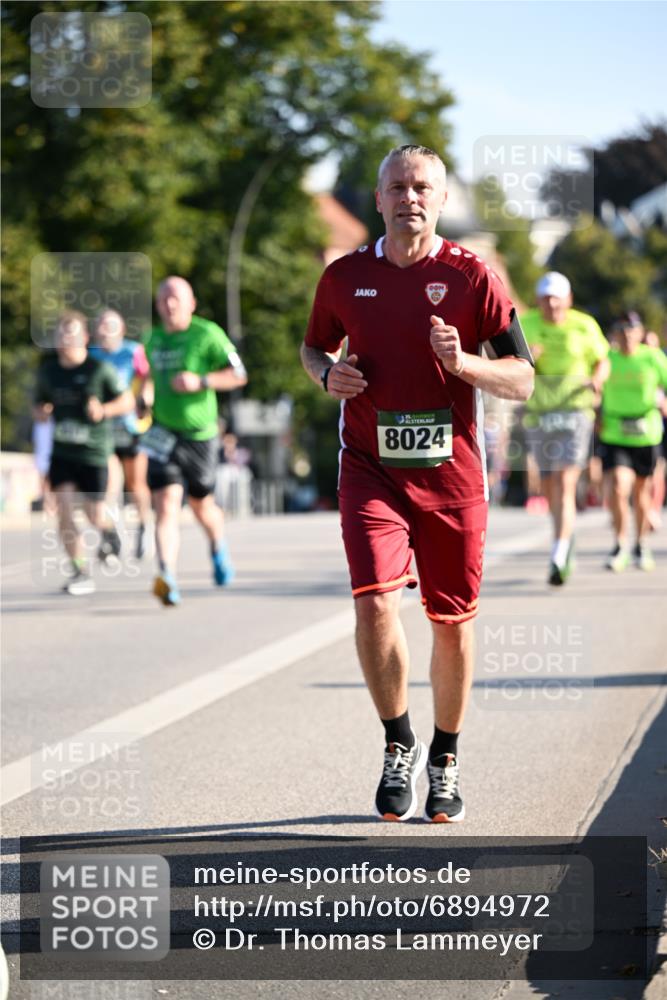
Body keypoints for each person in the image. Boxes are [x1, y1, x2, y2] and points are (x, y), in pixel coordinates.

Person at [301, 144, 534, 823]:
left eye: (422, 187)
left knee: (450, 624)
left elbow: (521, 379)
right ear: (377, 199)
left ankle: (446, 756)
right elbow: (312, 346)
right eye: (397, 186)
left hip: (452, 476)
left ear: (439, 199)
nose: (410, 197)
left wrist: (462, 363)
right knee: (374, 603)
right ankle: (398, 741)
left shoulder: (471, 276)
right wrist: (325, 375)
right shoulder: (344, 277)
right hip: (370, 469)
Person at [142, 276, 248, 606]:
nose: (169, 305)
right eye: (163, 300)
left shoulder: (207, 334)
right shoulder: (153, 339)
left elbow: (239, 375)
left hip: (200, 436)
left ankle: (217, 547)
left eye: (175, 298)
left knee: (202, 505)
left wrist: (200, 380)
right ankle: (166, 576)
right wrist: (142, 398)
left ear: (191, 304)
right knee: (165, 506)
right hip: (163, 433)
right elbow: (144, 378)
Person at [33, 311, 135, 595]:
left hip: (94, 453)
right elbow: (38, 404)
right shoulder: (48, 372)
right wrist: (41, 412)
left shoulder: (98, 370)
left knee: (94, 514)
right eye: (61, 335)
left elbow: (126, 401)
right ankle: (80, 571)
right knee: (63, 510)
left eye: (72, 334)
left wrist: (104, 410)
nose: (66, 340)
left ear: (85, 338)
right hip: (63, 452)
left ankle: (109, 530)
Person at [521, 272, 610, 585]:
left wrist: (597, 380)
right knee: (548, 487)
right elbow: (506, 360)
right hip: (540, 413)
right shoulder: (526, 322)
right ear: (538, 300)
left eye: (557, 297)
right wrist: (528, 358)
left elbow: (603, 359)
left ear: (568, 299)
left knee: (565, 479)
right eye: (546, 298)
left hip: (575, 411)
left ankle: (558, 552)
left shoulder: (584, 324)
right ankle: (565, 535)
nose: (552, 304)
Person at [600, 311, 667, 572]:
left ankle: (640, 543)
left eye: (632, 330)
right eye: (622, 330)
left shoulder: (652, 357)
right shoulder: (609, 359)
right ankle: (619, 543)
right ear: (615, 335)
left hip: (646, 432)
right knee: (618, 485)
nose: (627, 335)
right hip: (615, 430)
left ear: (640, 333)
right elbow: (597, 382)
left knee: (642, 494)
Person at [90, 309, 152, 559]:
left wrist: (146, 397)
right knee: (108, 486)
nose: (106, 329)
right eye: (102, 325)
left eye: (111, 325)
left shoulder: (133, 351)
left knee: (136, 483)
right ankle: (113, 534)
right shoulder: (91, 355)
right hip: (103, 428)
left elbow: (148, 377)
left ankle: (145, 527)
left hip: (131, 425)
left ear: (122, 329)